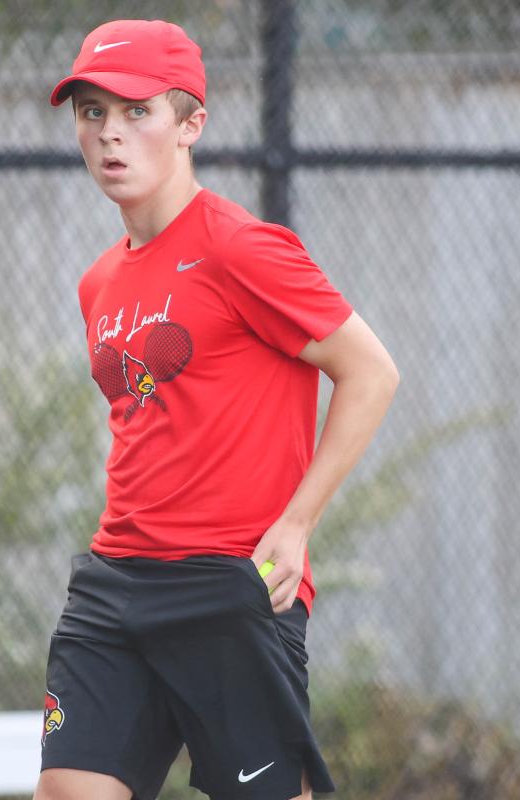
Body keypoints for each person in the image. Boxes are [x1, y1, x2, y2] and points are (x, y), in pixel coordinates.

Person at [33, 19, 399, 800]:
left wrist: (297, 524)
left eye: (137, 111)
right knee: (67, 789)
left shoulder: (243, 249)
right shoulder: (99, 283)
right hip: (114, 584)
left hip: (230, 583)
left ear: (190, 124)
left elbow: (371, 373)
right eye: (92, 112)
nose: (109, 134)